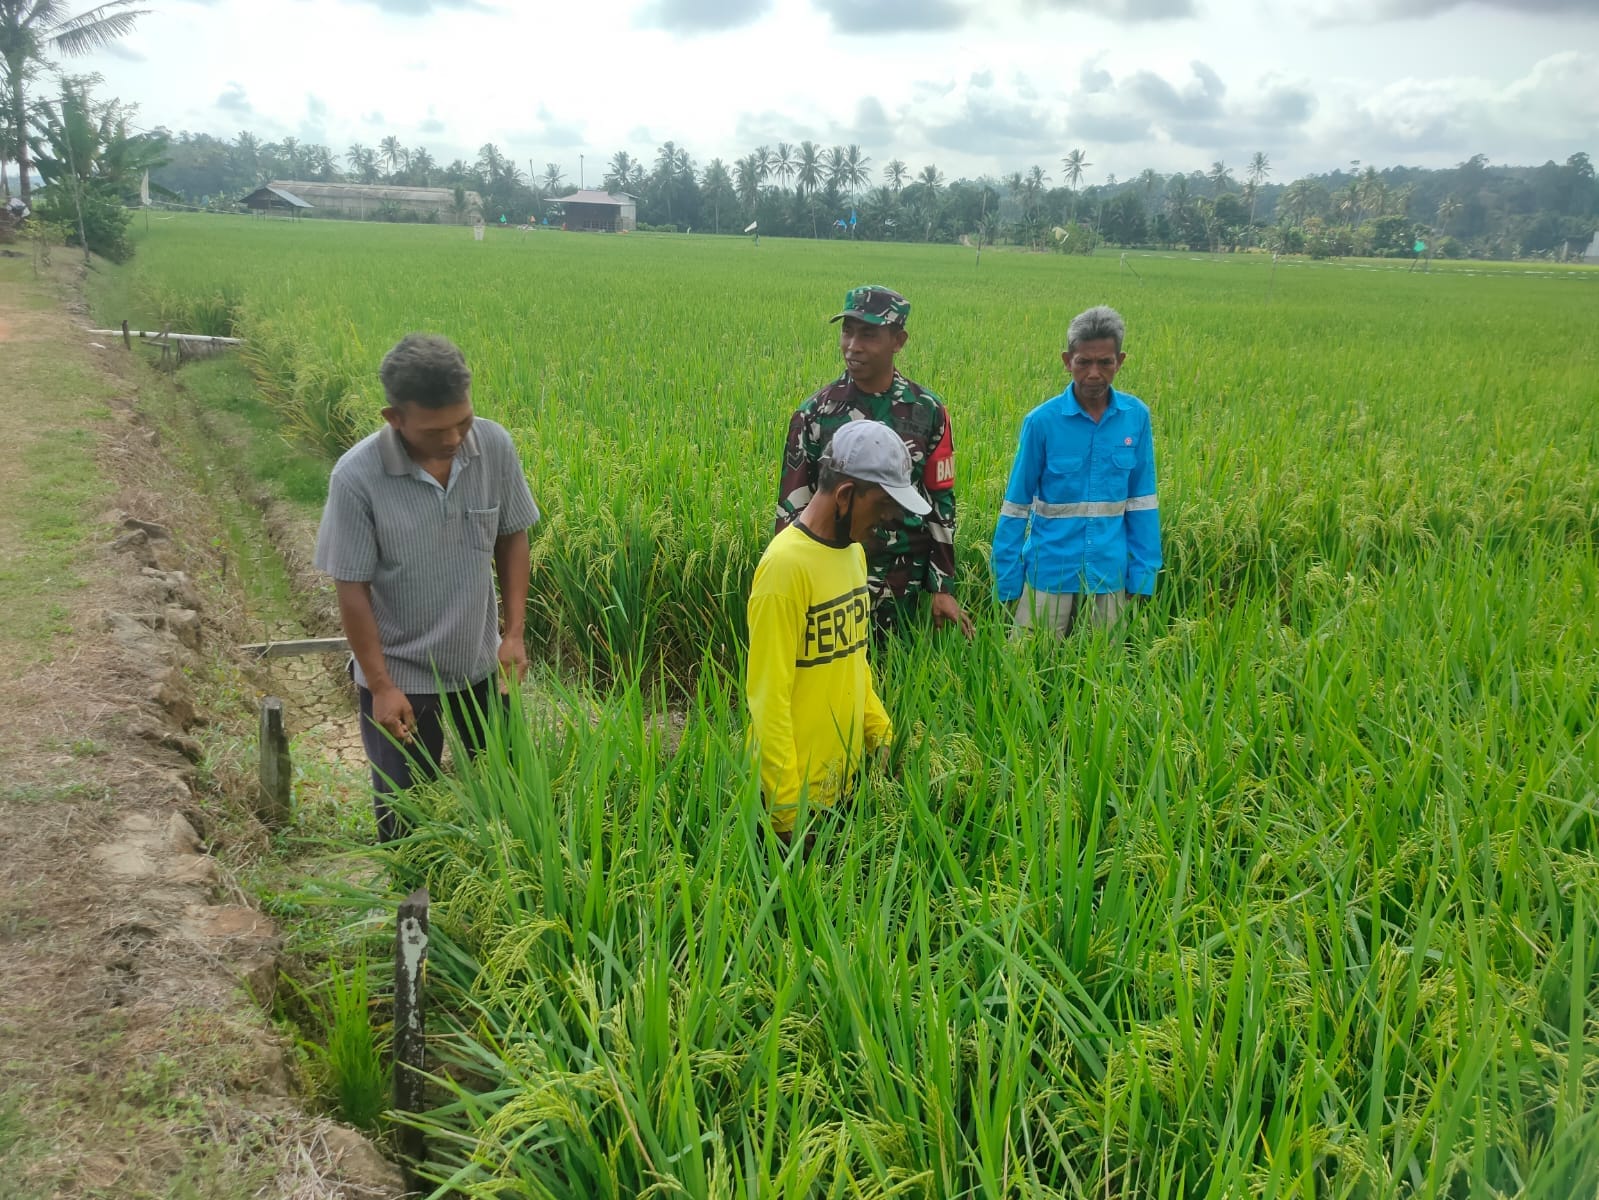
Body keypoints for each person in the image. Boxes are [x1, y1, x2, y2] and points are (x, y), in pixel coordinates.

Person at [313, 333, 540, 841]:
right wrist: (381, 685)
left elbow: (512, 536)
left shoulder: (493, 445)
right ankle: (411, 910)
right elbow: (351, 588)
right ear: (394, 418)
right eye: (437, 429)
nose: (457, 438)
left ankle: (498, 885)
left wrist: (514, 632)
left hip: (481, 663)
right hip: (403, 675)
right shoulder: (356, 478)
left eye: (463, 420)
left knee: (509, 791)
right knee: (406, 809)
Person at [747, 422, 930, 846]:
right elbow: (767, 697)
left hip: (842, 786)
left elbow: (854, 660)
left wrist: (879, 732)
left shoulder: (853, 555)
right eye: (884, 503)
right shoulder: (785, 568)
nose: (890, 519)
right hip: (793, 803)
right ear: (846, 495)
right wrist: (787, 811)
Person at [775, 285, 974, 640]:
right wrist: (789, 577)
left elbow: (941, 499)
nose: (853, 346)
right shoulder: (816, 413)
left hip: (903, 578)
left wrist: (942, 586)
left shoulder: (927, 411)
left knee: (898, 679)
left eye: (868, 334)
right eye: (847, 331)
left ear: (898, 341)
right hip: (830, 574)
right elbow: (792, 505)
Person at [992, 306, 1161, 635]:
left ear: (1120, 361)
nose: (1094, 373)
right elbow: (1015, 506)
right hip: (1049, 571)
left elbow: (1143, 503)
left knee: (1103, 672)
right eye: (1084, 362)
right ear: (1067, 361)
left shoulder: (1135, 417)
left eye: (1105, 362)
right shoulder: (1042, 422)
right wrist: (1009, 582)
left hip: (1109, 574)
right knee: (1029, 665)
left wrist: (1143, 576)